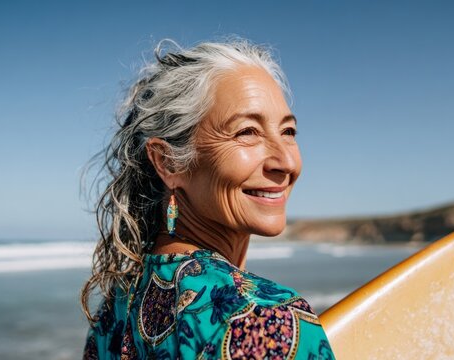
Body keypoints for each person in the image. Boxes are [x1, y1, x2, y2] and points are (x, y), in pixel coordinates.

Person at [81, 38, 334, 359]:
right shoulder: (264, 320)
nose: (285, 162)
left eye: (288, 132)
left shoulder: (115, 308)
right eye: (247, 132)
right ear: (169, 162)